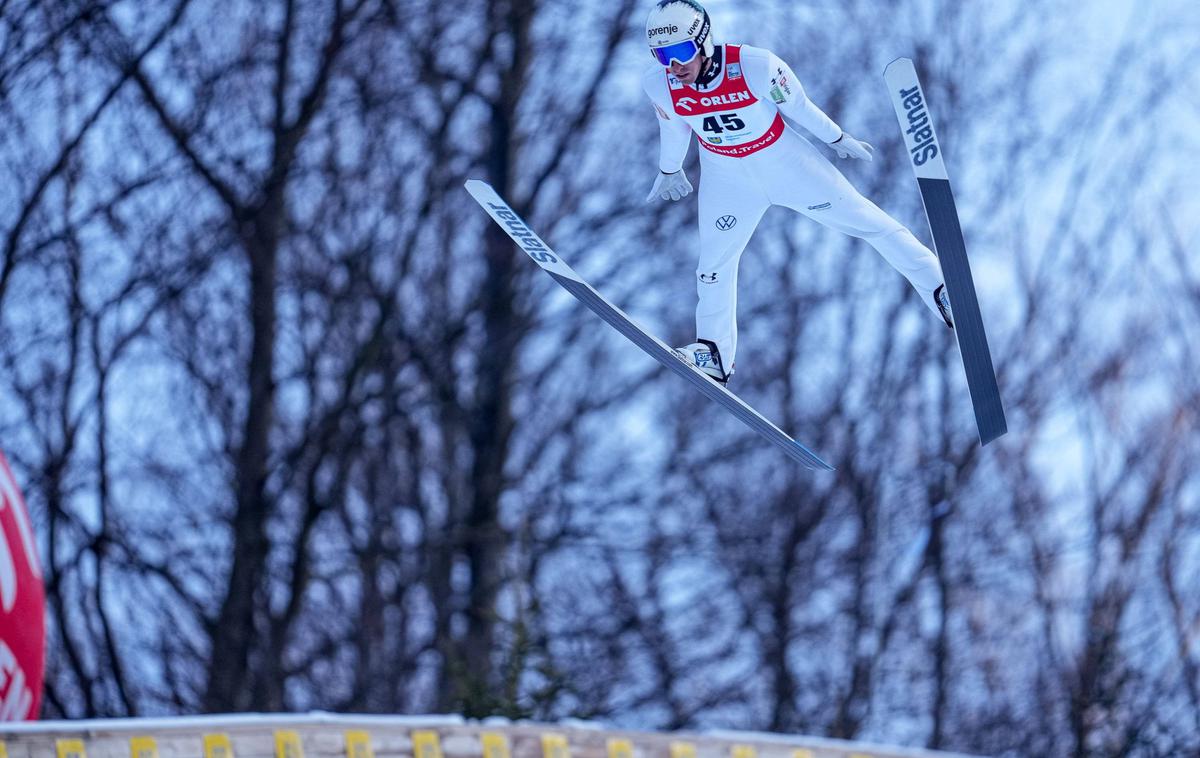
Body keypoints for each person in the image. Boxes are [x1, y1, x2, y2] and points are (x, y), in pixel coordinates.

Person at [643, 0, 953, 386]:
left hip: (784, 163)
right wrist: (669, 169)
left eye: (679, 52)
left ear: (703, 41)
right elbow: (675, 129)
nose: (673, 66)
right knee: (712, 266)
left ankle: (941, 287)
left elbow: (800, 108)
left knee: (867, 221)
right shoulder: (660, 84)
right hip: (727, 176)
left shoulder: (755, 66)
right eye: (661, 55)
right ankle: (715, 353)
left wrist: (837, 137)